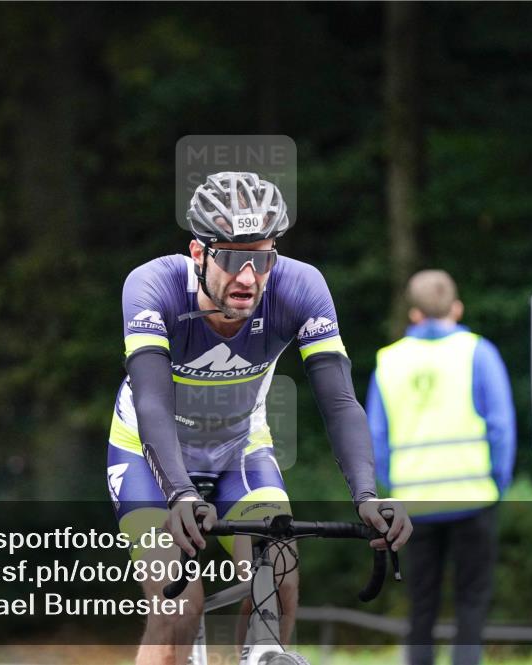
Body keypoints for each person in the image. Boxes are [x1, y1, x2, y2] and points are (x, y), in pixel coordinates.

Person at [108, 171, 412, 665]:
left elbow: (337, 400)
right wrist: (181, 494)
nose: (248, 276)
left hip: (239, 455)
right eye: (231, 257)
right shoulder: (153, 286)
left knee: (279, 579)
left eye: (262, 257)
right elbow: (151, 402)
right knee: (179, 607)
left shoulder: (300, 286)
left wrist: (366, 495)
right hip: (149, 456)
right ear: (198, 252)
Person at [365, 270, 515, 665]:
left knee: (421, 604)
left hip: (413, 505)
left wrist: (392, 485)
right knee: (471, 602)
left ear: (413, 314)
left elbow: (375, 438)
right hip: (473, 497)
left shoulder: (388, 361)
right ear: (457, 307)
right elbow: (501, 427)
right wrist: (498, 483)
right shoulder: (478, 352)